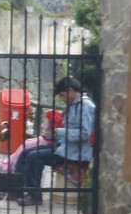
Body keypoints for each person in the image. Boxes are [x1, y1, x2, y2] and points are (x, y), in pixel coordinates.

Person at [11, 76, 95, 206]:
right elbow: (70, 131)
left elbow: (84, 134)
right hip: (64, 147)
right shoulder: (74, 105)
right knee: (25, 153)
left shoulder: (85, 107)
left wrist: (59, 131)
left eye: (62, 95)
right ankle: (16, 191)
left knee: (34, 157)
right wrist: (53, 135)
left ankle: (34, 196)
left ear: (71, 90)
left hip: (74, 152)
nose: (62, 99)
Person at [0, 109, 63, 175]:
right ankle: (8, 164)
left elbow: (48, 131)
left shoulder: (53, 124)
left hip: (46, 141)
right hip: (45, 139)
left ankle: (9, 166)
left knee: (26, 147)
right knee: (26, 144)